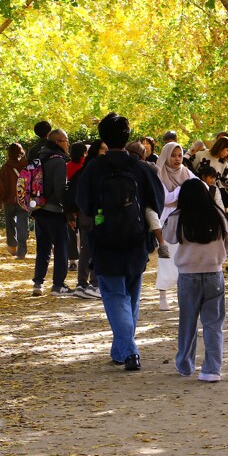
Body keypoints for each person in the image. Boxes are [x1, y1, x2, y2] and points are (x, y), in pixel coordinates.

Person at [77, 112, 164, 371]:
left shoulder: (93, 168)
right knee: (132, 297)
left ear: (103, 137)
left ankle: (128, 351)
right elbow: (156, 202)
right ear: (127, 137)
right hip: (136, 241)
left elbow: (84, 204)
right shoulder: (140, 167)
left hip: (104, 241)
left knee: (115, 296)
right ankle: (123, 350)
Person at [163, 179, 228, 382]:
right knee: (213, 324)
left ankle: (185, 365)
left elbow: (169, 237)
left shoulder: (179, 216)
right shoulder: (218, 214)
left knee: (188, 322)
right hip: (214, 275)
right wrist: (219, 254)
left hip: (188, 276)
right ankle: (212, 369)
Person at [155, 141, 196, 310]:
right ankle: (162, 294)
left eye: (179, 155)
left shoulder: (186, 172)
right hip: (166, 219)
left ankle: (182, 293)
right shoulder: (159, 173)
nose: (177, 159)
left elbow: (199, 188)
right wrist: (184, 189)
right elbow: (165, 198)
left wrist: (183, 190)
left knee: (183, 256)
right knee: (166, 256)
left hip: (184, 218)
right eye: (173, 155)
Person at [32, 129, 72, 296]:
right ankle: (58, 285)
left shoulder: (39, 158)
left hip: (38, 209)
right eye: (65, 140)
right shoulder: (58, 161)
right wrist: (69, 210)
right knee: (61, 248)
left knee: (43, 248)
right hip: (55, 210)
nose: (68, 144)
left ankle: (38, 283)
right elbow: (60, 189)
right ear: (58, 142)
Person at [65, 141, 106, 299]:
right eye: (103, 149)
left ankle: (82, 283)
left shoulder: (83, 169)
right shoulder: (98, 169)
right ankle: (94, 284)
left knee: (86, 247)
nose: (106, 152)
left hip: (84, 213)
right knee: (96, 246)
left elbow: (73, 192)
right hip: (98, 213)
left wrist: (73, 212)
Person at [0, 143, 29, 258]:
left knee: (10, 224)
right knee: (23, 224)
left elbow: (1, 186)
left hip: (9, 200)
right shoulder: (27, 165)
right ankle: (22, 250)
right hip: (23, 199)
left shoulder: (5, 167)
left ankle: (12, 246)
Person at [193, 136, 228, 208]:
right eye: (227, 150)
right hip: (195, 191)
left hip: (212, 195)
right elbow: (189, 171)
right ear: (220, 147)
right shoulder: (200, 155)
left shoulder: (224, 163)